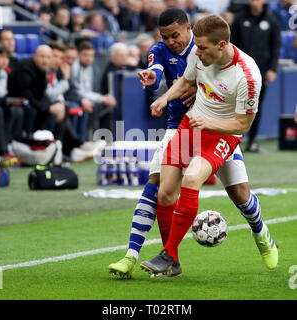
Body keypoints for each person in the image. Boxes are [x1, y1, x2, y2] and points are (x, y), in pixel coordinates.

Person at [109, 9, 277, 279]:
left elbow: (242, 125)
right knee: (164, 192)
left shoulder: (247, 76)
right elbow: (186, 81)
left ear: (221, 45)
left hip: (222, 133)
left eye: (201, 48)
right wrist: (164, 99)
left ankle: (259, 232)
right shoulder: (198, 55)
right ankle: (169, 258)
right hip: (191, 125)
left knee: (237, 194)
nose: (195, 54)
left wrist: (207, 124)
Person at [231, 0, 281, 152]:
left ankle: (251, 141)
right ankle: (233, 141)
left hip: (261, 72)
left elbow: (276, 47)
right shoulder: (239, 19)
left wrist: (272, 69)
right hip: (239, 71)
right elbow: (232, 44)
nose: (255, 2)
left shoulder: (272, 21)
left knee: (255, 106)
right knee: (234, 105)